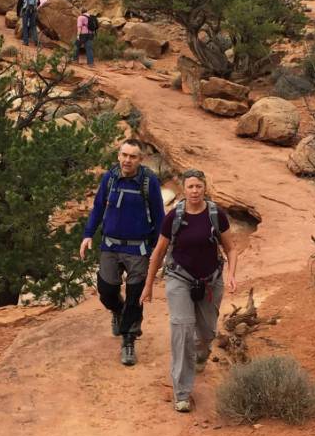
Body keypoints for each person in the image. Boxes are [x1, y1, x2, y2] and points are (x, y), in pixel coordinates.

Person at [141, 169, 237, 413]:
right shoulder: (174, 217)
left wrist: (231, 274)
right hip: (179, 278)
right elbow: (158, 253)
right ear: (184, 189)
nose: (194, 191)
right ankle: (182, 393)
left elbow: (231, 248)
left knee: (206, 332)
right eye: (190, 187)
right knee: (182, 330)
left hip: (210, 280)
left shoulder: (216, 215)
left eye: (198, 186)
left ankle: (201, 353)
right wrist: (148, 285)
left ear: (205, 188)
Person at [80, 139, 164, 366]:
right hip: (110, 244)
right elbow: (98, 207)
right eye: (124, 155)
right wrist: (88, 234)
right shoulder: (110, 178)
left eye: (133, 156)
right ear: (118, 156)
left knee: (135, 295)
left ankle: (129, 340)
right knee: (106, 290)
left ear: (140, 159)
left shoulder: (148, 181)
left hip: (138, 247)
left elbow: (159, 216)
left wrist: (158, 249)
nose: (127, 160)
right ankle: (118, 311)